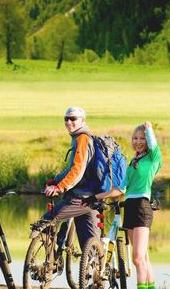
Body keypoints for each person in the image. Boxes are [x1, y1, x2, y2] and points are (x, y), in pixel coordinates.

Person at [82, 121, 162, 289]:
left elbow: (154, 144)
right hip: (130, 207)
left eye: (142, 138)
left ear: (147, 141)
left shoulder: (153, 158)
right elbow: (121, 188)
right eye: (135, 138)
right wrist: (96, 197)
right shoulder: (133, 161)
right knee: (143, 257)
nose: (138, 141)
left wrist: (148, 129)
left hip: (142, 207)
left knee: (137, 258)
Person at [31, 106, 99, 250]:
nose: (69, 122)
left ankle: (48, 265)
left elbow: (77, 170)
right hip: (91, 197)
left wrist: (60, 187)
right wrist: (56, 180)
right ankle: (93, 271)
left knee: (45, 220)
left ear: (82, 120)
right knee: (90, 247)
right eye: (66, 119)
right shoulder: (79, 138)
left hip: (81, 197)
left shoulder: (82, 138)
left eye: (73, 118)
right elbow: (71, 168)